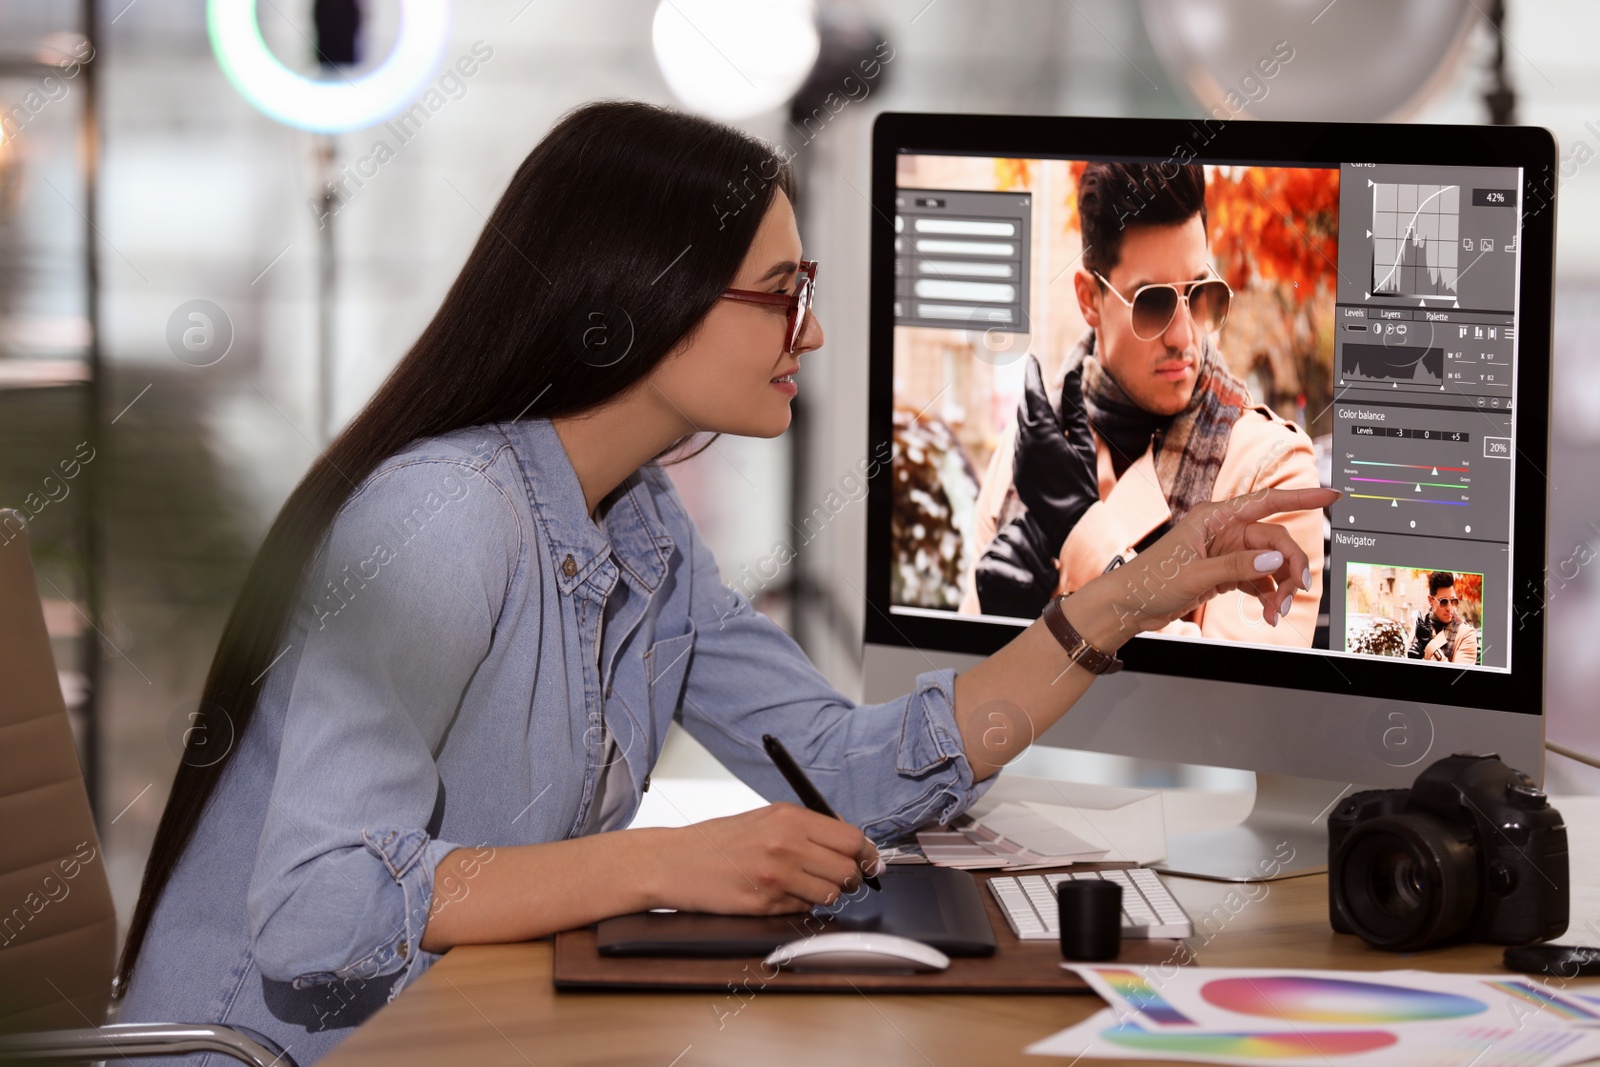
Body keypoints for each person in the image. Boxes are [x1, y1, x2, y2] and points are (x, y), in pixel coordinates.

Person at [113, 102, 1337, 1064]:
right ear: (648, 299)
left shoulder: (638, 526)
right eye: (784, 294)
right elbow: (316, 905)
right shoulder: (440, 520)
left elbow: (846, 773)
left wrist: (1124, 600)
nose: (809, 334)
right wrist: (662, 860)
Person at [962, 161, 1326, 645]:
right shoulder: (1027, 450)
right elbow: (963, 697)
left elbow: (1235, 704)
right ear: (1089, 299)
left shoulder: (1270, 471)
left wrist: (1082, 537)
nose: (1184, 335)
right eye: (1152, 302)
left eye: (1198, 293)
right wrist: (998, 629)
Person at [1408, 570, 1480, 664]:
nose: (1450, 608)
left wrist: (1429, 645)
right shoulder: (1417, 631)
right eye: (1443, 602)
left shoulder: (1466, 634)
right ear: (1430, 600)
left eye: (1453, 600)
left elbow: (1459, 676)